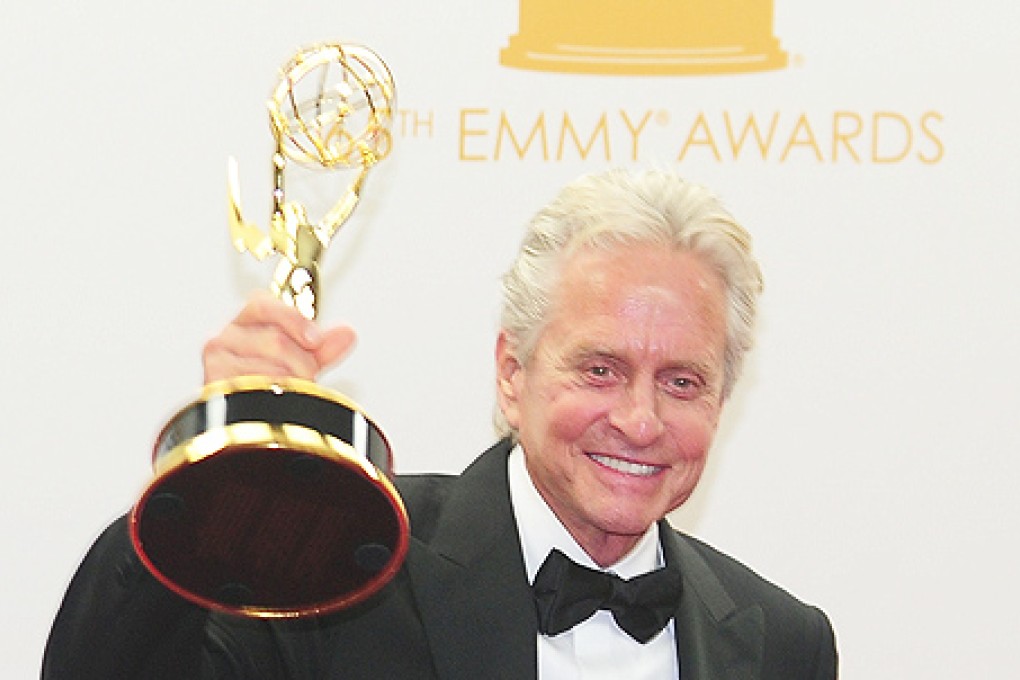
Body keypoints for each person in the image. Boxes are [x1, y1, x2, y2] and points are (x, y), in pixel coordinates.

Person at [43, 168, 838, 678]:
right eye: (599, 369)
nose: (638, 420)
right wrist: (216, 481)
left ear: (721, 400)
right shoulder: (344, 567)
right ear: (511, 371)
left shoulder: (783, 644)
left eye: (682, 381)